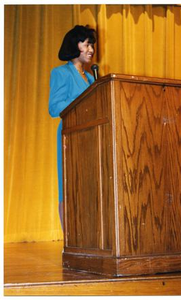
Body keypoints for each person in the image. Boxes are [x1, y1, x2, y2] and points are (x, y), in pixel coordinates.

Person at [48, 25, 96, 229]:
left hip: (92, 136)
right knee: (68, 187)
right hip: (71, 135)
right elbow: (54, 107)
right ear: (75, 46)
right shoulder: (61, 73)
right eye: (87, 44)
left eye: (92, 45)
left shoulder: (93, 78)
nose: (91, 49)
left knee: (89, 187)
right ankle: (69, 239)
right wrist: (80, 104)